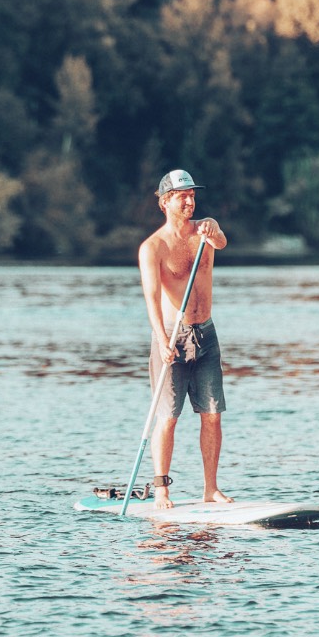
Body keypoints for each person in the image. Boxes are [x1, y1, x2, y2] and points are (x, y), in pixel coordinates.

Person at [138, 169, 232, 509]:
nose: (190, 201)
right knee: (169, 416)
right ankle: (162, 490)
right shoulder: (153, 247)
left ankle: (211, 489)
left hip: (206, 333)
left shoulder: (205, 230)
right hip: (172, 337)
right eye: (183, 196)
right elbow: (151, 297)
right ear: (165, 202)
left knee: (212, 413)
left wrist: (214, 229)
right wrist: (162, 339)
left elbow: (221, 241)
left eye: (192, 195)